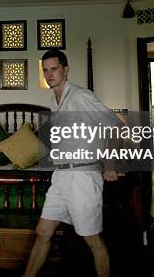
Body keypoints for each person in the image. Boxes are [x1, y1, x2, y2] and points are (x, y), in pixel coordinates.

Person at [24, 49, 120, 277]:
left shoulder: (80, 97)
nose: (49, 74)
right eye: (45, 70)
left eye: (54, 69)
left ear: (65, 70)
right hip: (61, 176)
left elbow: (116, 127)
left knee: (92, 240)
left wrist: (109, 163)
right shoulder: (54, 100)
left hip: (82, 177)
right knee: (43, 231)